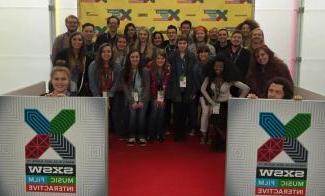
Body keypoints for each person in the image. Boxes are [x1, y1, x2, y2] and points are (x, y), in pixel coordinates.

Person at [201, 54, 250, 150]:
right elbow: (202, 89)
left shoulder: (229, 79)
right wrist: (211, 101)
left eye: (220, 66)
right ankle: (216, 144)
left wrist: (237, 101)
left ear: (225, 68)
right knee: (214, 124)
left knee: (222, 126)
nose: (217, 68)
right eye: (216, 66)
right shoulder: (210, 77)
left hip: (227, 104)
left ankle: (225, 145)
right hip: (216, 104)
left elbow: (246, 88)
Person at [168, 35, 197, 141]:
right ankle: (177, 134)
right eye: (180, 43)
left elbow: (194, 74)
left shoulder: (192, 56)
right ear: (177, 44)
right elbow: (169, 74)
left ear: (187, 44)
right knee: (177, 112)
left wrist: (193, 90)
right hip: (176, 87)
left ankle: (182, 133)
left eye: (184, 43)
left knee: (185, 112)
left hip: (188, 87)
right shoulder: (172, 56)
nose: (182, 45)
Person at [123, 49, 150, 146]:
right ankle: (132, 136)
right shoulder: (125, 71)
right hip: (131, 98)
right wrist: (132, 101)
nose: (135, 59)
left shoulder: (145, 71)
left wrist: (142, 100)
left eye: (137, 57)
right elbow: (125, 88)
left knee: (141, 117)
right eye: (132, 57)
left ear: (140, 58)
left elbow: (147, 87)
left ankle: (142, 136)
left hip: (143, 98)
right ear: (129, 58)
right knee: (133, 115)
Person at [147, 50, 171, 142]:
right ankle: (151, 134)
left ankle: (160, 134)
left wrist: (160, 98)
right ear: (154, 59)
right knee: (153, 113)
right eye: (158, 58)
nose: (160, 60)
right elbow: (151, 84)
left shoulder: (168, 67)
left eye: (162, 58)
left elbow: (165, 83)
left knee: (161, 113)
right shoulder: (149, 67)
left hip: (163, 94)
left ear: (165, 59)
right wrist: (155, 98)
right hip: (152, 94)